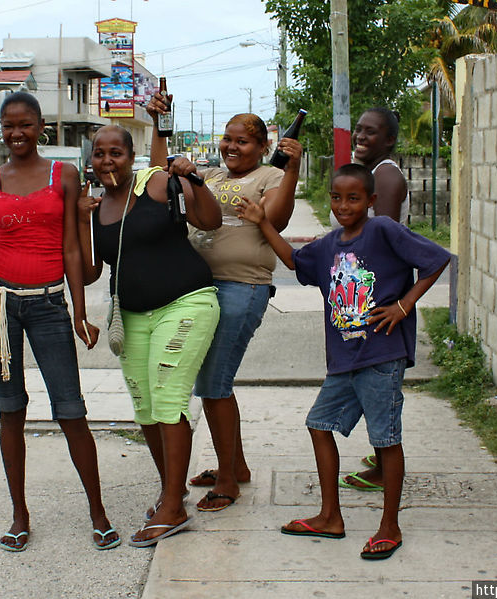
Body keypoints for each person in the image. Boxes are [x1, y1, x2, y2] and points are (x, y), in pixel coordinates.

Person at [237, 163, 450, 559]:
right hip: (344, 360)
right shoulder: (330, 244)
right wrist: (263, 223)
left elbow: (436, 259)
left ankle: (390, 526)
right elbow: (295, 262)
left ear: (370, 201)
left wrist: (403, 306)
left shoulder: (383, 230)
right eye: (337, 197)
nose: (343, 205)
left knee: (385, 439)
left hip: (381, 355)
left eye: (354, 198)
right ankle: (330, 515)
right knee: (319, 425)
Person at [0, 91, 118, 552]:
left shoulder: (63, 175)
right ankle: (20, 515)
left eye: (25, 125)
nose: (16, 134)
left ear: (42, 126)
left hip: (48, 306)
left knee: (71, 410)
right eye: (8, 126)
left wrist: (80, 313)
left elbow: (69, 251)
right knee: (11, 408)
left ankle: (98, 513)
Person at [146, 93, 303, 512]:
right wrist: (159, 123)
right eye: (227, 139)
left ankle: (229, 480)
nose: (232, 147)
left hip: (241, 288)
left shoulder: (271, 176)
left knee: (214, 387)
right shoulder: (212, 176)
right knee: (210, 385)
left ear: (263, 147)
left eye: (244, 142)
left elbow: (281, 218)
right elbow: (160, 181)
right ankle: (238, 465)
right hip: (200, 291)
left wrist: (294, 170)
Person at [77, 125, 222, 546]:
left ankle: (174, 506)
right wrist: (75, 219)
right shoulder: (98, 208)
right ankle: (169, 493)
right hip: (133, 316)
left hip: (186, 302)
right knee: (144, 405)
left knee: (168, 395)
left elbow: (210, 221)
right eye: (99, 154)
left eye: (116, 152)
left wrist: (194, 177)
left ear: (132, 154)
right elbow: (90, 272)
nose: (107, 161)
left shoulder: (158, 184)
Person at [331, 107, 410, 487]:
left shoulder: (388, 176)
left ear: (389, 140)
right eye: (359, 130)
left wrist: (389, 304)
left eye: (371, 133)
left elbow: (381, 243)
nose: (361, 137)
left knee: (378, 386)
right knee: (371, 384)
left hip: (378, 304)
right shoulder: (372, 174)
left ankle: (385, 466)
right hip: (364, 300)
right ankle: (382, 455)